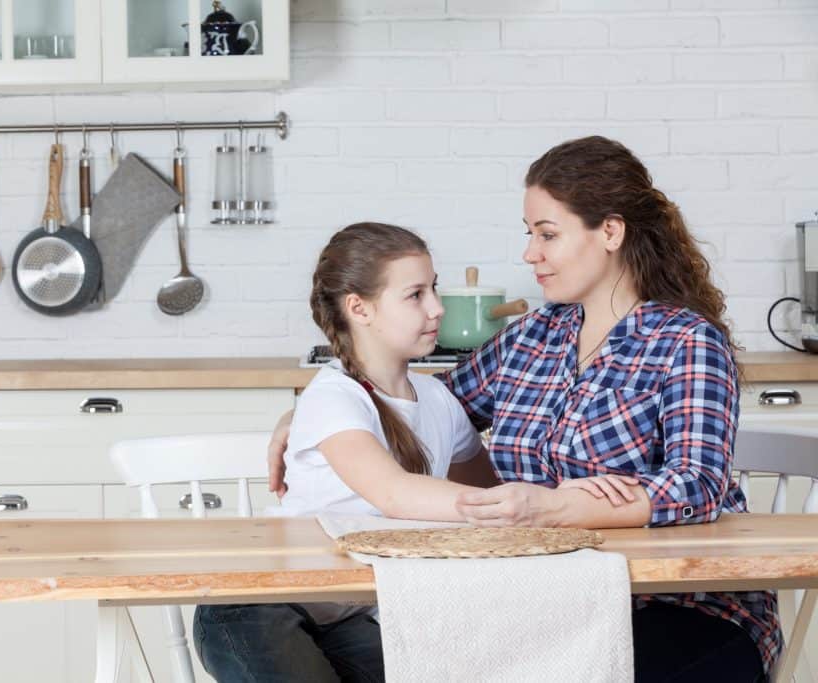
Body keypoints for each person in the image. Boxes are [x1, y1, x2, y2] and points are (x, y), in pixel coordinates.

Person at [268, 137, 782, 682]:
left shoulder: (685, 341)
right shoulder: (532, 337)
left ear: (610, 231)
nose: (529, 253)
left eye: (548, 235)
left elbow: (699, 484)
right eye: (529, 234)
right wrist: (315, 412)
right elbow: (418, 401)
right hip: (555, 608)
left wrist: (564, 508)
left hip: (681, 607)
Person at [193, 222, 501, 683]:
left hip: (348, 613)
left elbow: (489, 494)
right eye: (415, 295)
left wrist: (546, 499)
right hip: (258, 603)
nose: (437, 308)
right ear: (359, 308)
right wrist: (513, 504)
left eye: (433, 289)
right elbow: (394, 494)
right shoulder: (333, 396)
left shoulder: (438, 400)